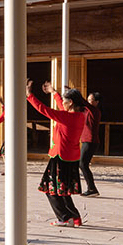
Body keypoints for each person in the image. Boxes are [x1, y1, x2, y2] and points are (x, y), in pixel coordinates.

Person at [27, 80, 88, 226]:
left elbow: (44, 110)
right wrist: (54, 93)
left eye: (66, 101)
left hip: (60, 157)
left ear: (71, 102)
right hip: (70, 157)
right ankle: (75, 217)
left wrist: (29, 95)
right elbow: (61, 107)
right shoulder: (79, 116)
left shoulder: (68, 117)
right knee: (63, 190)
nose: (64, 104)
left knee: (50, 189)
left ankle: (65, 218)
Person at [80, 91, 103, 196]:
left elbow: (83, 102)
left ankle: (92, 189)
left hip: (91, 141)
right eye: (88, 99)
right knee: (82, 164)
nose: (89, 102)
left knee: (83, 164)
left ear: (96, 102)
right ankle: (91, 188)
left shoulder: (95, 111)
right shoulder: (86, 111)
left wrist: (74, 92)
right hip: (85, 140)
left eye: (91, 100)